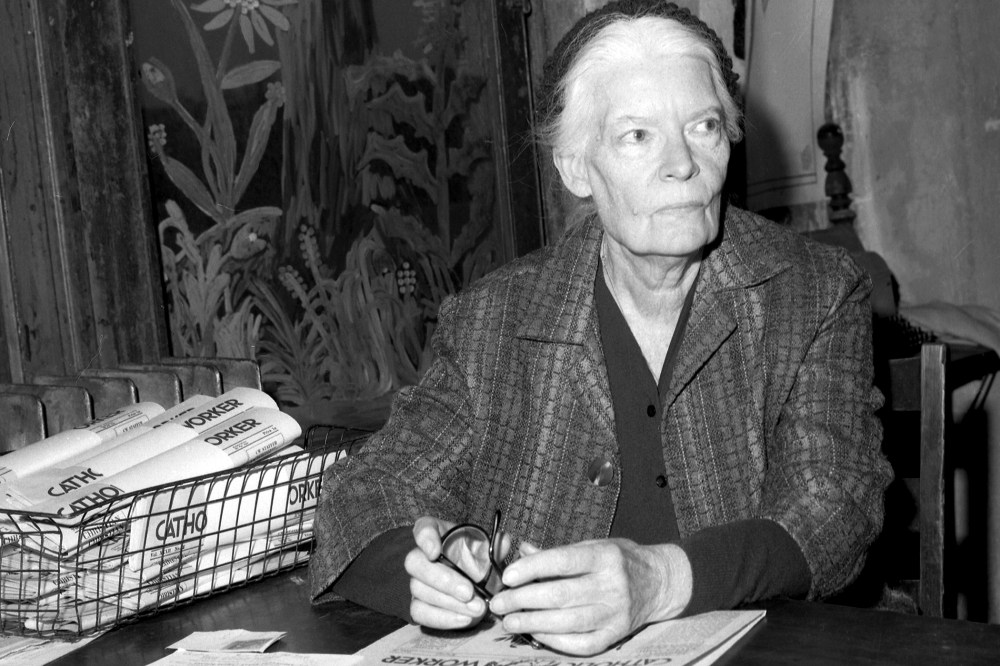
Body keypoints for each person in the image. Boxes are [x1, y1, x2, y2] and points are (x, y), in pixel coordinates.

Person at [310, 0, 892, 656]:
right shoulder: (492, 319)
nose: (682, 164)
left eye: (702, 126)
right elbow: (368, 494)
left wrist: (663, 580)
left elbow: (835, 504)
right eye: (637, 136)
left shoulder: (811, 292)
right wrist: (420, 572)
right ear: (576, 167)